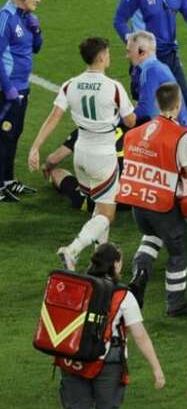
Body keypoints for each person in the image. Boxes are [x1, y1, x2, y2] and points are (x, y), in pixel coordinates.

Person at [47, 243, 165, 409]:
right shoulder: (123, 295)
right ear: (116, 264)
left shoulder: (79, 285)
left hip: (73, 359)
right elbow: (140, 335)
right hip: (108, 364)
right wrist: (156, 368)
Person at [28, 37, 137, 269]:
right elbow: (130, 121)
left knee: (98, 207)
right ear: (101, 57)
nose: (109, 57)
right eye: (108, 53)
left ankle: (100, 263)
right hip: (103, 157)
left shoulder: (70, 85)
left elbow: (54, 117)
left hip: (81, 154)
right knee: (106, 214)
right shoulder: (113, 87)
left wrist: (35, 147)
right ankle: (73, 250)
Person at [117, 83, 187, 315]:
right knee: (178, 252)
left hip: (138, 204)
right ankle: (176, 304)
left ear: (157, 103)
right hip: (162, 206)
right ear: (178, 105)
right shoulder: (180, 136)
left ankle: (140, 273)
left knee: (152, 235)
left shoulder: (134, 133)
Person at [0, 0, 42, 202]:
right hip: (7, 90)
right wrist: (7, 88)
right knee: (3, 135)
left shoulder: (27, 18)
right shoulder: (5, 18)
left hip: (22, 88)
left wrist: (36, 31)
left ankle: (8, 181)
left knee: (14, 134)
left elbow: (36, 48)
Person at [41, 127, 125, 213]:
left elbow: (53, 160)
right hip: (127, 199)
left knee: (56, 173)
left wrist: (46, 166)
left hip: (97, 202)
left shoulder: (86, 129)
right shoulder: (130, 130)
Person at [125, 30, 187, 131]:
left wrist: (121, 119)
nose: (127, 56)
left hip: (177, 134)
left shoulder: (151, 71)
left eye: (129, 51)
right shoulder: (157, 67)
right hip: (180, 131)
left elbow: (146, 110)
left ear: (141, 52)